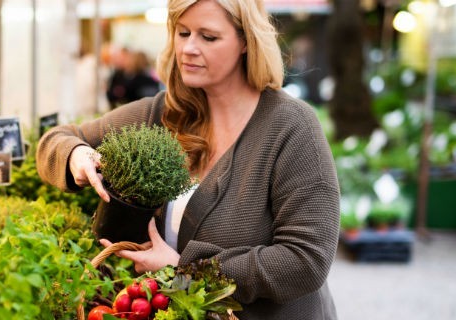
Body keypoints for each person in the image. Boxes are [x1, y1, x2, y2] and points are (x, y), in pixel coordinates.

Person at [36, 0, 340, 318]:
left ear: (246, 43)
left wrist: (185, 269)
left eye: (208, 37)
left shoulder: (290, 126)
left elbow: (305, 260)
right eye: (183, 33)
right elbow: (55, 139)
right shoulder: (165, 114)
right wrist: (76, 155)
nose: (189, 48)